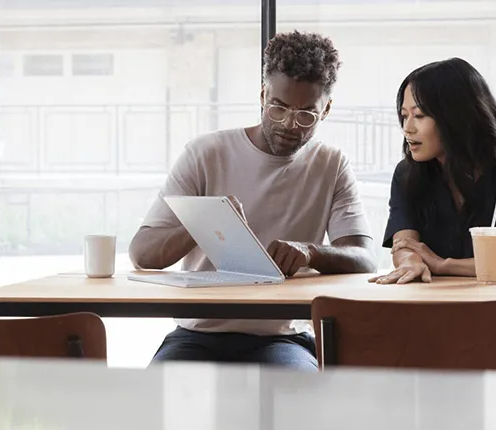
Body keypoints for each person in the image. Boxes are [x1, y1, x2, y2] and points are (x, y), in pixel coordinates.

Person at [129, 31, 378, 371]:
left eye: (306, 114)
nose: (290, 125)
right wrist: (206, 222)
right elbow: (143, 254)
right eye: (278, 108)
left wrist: (311, 251)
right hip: (197, 334)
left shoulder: (331, 164)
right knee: (161, 400)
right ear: (263, 95)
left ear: (327, 110)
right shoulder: (206, 153)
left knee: (298, 397)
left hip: (283, 337)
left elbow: (365, 259)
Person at [370, 57, 496, 374]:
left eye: (419, 115)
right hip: (443, 330)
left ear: (455, 117)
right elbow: (405, 244)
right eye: (404, 115)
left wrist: (445, 266)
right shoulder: (408, 174)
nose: (408, 128)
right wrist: (410, 260)